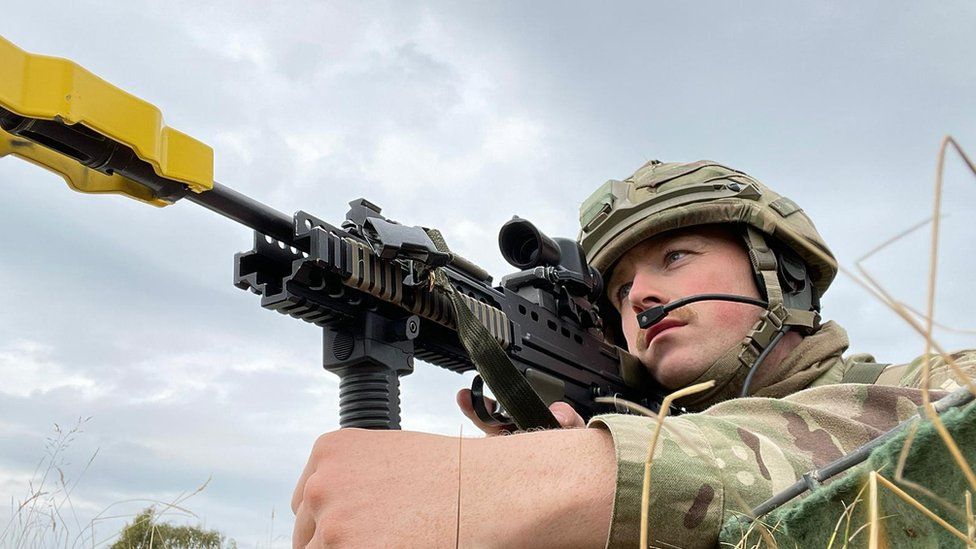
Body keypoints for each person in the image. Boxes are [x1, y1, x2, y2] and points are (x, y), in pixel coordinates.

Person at [290, 160, 975, 548]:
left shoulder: (930, 384)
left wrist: (562, 479)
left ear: (782, 276)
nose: (641, 296)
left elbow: (923, 449)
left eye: (675, 256)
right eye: (620, 290)